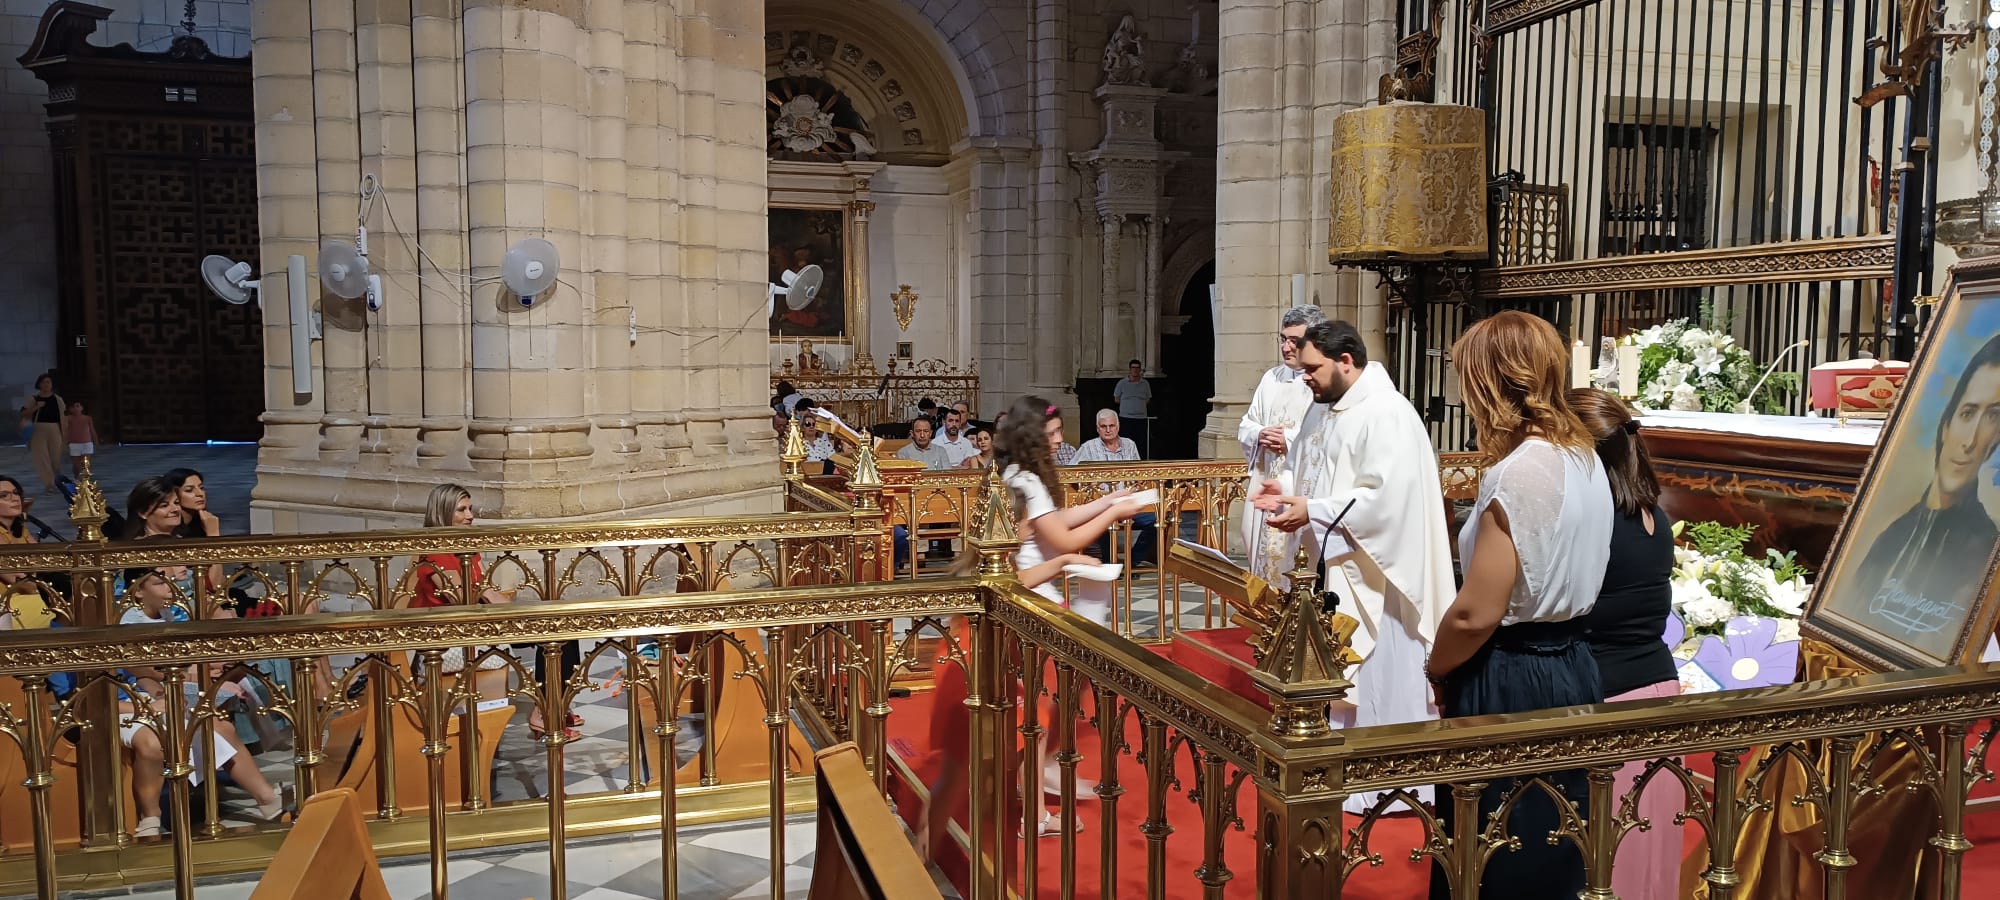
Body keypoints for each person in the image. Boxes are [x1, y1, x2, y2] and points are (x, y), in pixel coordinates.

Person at [1420, 310, 1613, 900]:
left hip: (1511, 674)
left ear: (1491, 382)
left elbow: (1475, 613)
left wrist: (1437, 669)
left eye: (1466, 377)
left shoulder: (1518, 473)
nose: (1462, 393)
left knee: (1499, 840)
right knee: (1561, 829)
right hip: (1575, 664)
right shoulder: (1584, 457)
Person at [1251, 320, 1454, 814]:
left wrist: (1313, 510)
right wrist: (1287, 492)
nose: (1305, 378)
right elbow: (1315, 470)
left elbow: (1388, 500)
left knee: (1381, 670)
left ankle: (1392, 785)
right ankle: (1342, 773)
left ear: (1346, 361)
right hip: (1335, 560)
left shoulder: (1387, 413)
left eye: (1313, 368)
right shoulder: (1324, 407)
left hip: (1380, 574)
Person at [1570, 387, 1681, 900]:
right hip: (1658, 687)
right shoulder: (1653, 514)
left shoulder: (1596, 522)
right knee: (1652, 852)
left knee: (1607, 859)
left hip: (1608, 694)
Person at [1851, 332, 2000, 630]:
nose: (1970, 441)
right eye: (1968, 413)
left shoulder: (1982, 547)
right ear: (1946, 424)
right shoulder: (1893, 533)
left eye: (1993, 417)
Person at [1237, 306, 1325, 586]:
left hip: (1301, 490)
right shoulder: (1271, 378)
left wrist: (1288, 440)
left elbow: (1328, 437)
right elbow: (1246, 424)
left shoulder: (1323, 380)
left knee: (1300, 567)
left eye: (1294, 341)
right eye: (1283, 339)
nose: (1286, 347)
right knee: (1264, 562)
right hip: (1267, 481)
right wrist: (1260, 433)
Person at [18, 374, 66, 495]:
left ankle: (57, 479)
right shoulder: (33, 399)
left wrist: (65, 433)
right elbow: (23, 413)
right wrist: (36, 407)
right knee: (42, 458)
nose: (46, 384)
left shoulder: (58, 399)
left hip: (54, 428)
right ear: (39, 384)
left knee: (55, 458)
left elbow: (63, 417)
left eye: (48, 382)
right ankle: (49, 484)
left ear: (52, 384)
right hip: (38, 429)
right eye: (43, 382)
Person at [1112, 359, 1153, 457]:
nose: (1135, 370)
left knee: (1141, 444)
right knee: (1125, 443)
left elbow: (1148, 399)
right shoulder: (1122, 383)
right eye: (1133, 367)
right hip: (1126, 418)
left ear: (1140, 370)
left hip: (1141, 418)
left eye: (1137, 368)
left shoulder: (1145, 384)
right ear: (1130, 369)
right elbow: (1116, 399)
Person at [64, 401, 96, 477]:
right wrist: (65, 442)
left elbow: (92, 430)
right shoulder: (68, 418)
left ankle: (85, 479)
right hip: (74, 444)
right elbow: (66, 430)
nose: (76, 408)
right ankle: (76, 477)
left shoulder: (87, 418)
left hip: (87, 443)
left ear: (82, 408)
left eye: (77, 406)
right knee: (76, 465)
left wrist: (96, 440)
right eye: (73, 407)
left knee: (85, 463)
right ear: (70, 409)